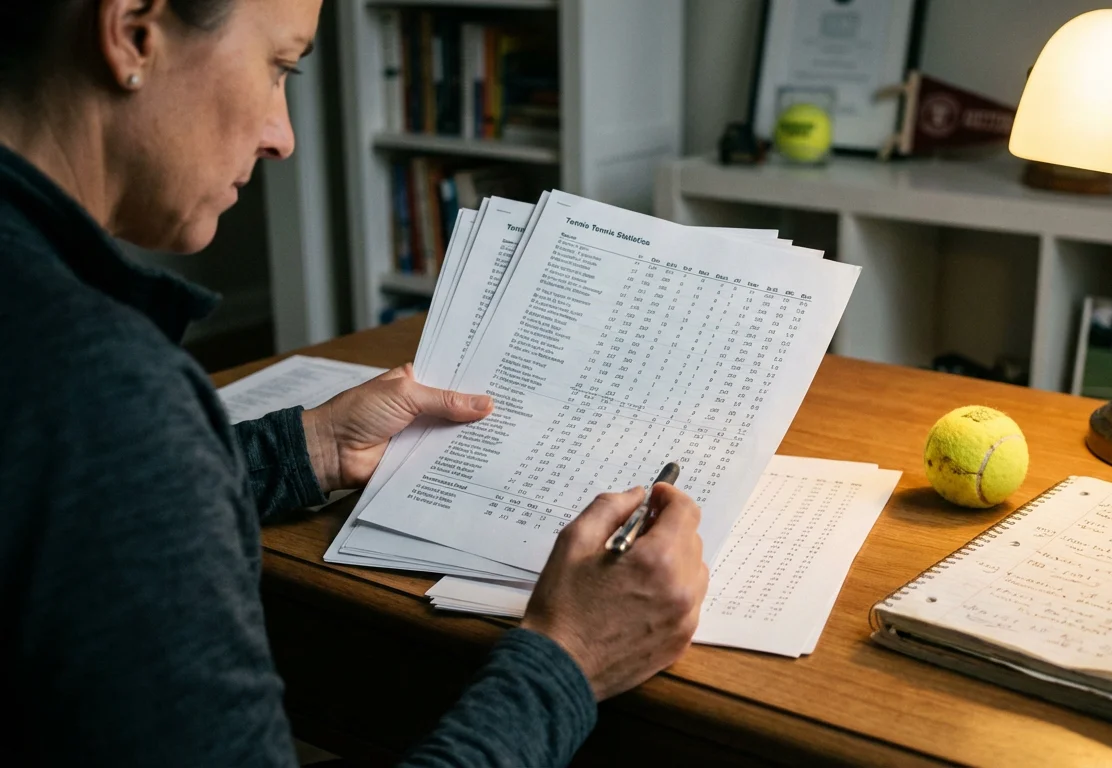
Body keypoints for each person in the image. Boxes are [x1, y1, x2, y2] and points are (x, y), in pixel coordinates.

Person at [0, 2, 709, 766]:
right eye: (279, 66)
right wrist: (568, 657)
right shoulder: (104, 391)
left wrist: (305, 448)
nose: (283, 137)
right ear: (133, 30)